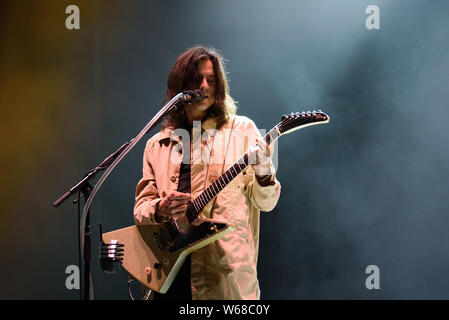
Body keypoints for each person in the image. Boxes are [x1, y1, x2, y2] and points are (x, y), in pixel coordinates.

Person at [133, 46, 281, 300]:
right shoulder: (157, 144)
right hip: (169, 274)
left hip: (223, 281)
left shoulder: (242, 130)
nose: (204, 85)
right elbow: (141, 209)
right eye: (197, 79)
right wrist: (161, 208)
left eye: (211, 80)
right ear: (180, 86)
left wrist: (265, 171)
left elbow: (266, 203)